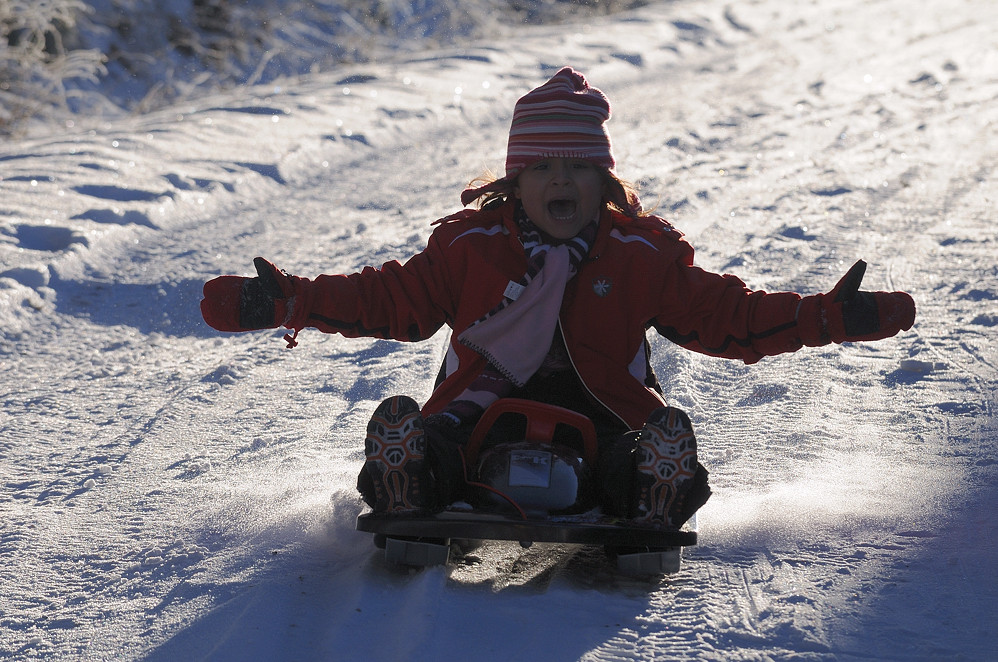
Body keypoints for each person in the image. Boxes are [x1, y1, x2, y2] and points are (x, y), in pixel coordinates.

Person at [200, 67, 916, 531]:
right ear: (514, 182)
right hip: (483, 414)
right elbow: (389, 298)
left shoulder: (640, 253)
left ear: (604, 180)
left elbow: (726, 317)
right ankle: (411, 476)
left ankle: (646, 486)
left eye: (578, 166)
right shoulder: (470, 247)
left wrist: (825, 316)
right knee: (448, 443)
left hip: (602, 411)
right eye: (542, 167)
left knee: (627, 453)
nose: (560, 181)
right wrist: (289, 300)